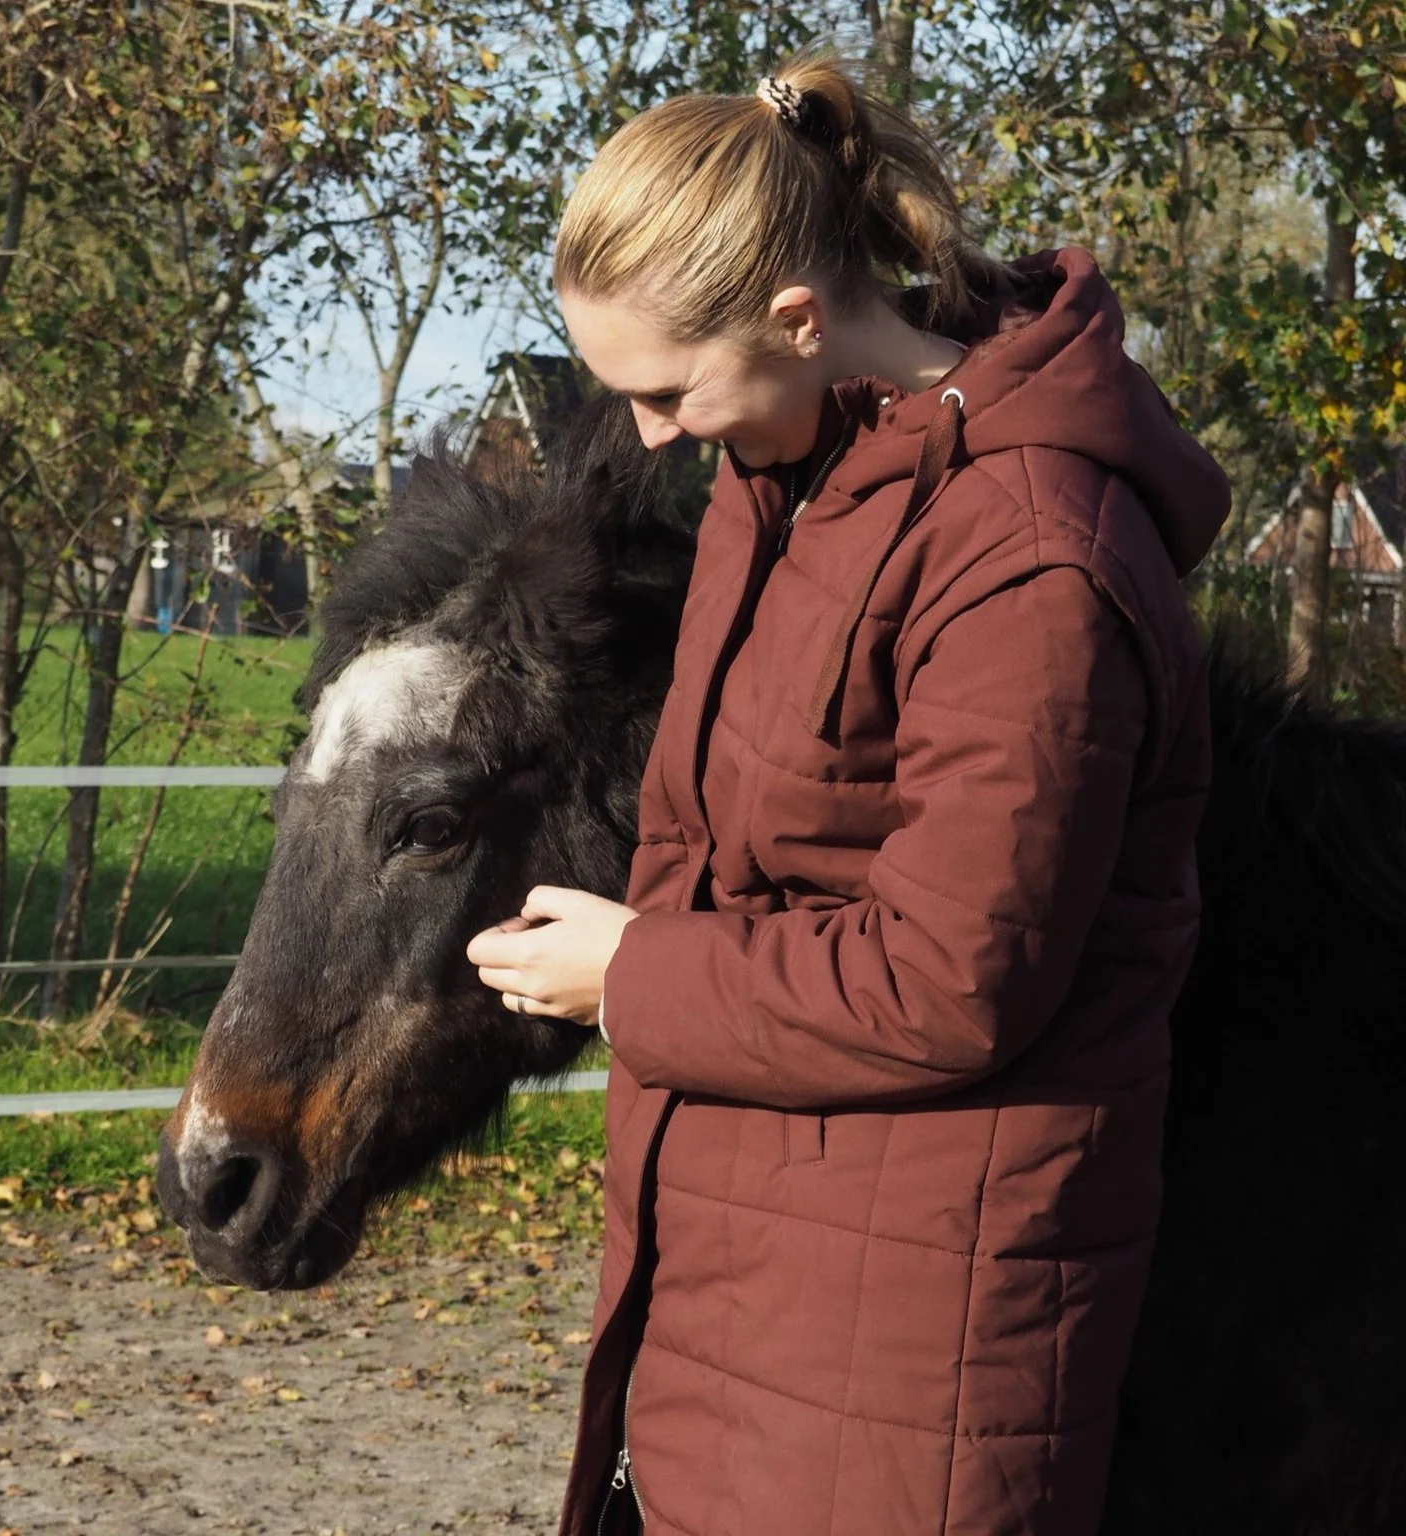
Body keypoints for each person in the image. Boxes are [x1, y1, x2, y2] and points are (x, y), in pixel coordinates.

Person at [465, 51, 1230, 1536]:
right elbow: (731, 838)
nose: (650, 435)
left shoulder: (1030, 561)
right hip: (741, 1260)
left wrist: (636, 973)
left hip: (915, 1318)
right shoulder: (792, 482)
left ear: (799, 317)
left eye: (666, 388)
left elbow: (952, 979)